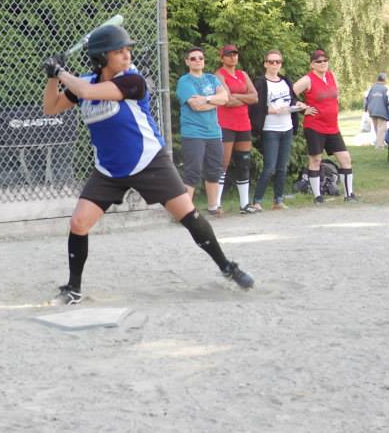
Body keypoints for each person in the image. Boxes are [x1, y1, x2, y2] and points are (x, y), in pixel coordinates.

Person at [43, 26, 254, 306]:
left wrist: (60, 72)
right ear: (101, 57)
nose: (127, 54)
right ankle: (73, 288)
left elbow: (86, 89)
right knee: (79, 223)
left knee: (188, 216)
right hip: (108, 169)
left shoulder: (133, 81)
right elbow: (51, 107)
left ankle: (227, 266)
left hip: (149, 161)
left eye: (128, 49)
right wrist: (51, 78)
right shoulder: (83, 83)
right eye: (119, 51)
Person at [293, 50, 356, 203]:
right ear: (312, 64)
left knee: (345, 158)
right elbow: (289, 94)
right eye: (318, 61)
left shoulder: (331, 76)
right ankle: (317, 196)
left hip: (332, 126)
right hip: (315, 126)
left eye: (325, 60)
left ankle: (349, 195)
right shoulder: (308, 79)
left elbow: (336, 94)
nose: (322, 64)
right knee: (315, 160)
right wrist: (303, 107)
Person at [175, 46, 228, 217]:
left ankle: (213, 206)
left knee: (214, 170)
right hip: (193, 133)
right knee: (193, 170)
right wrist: (214, 101)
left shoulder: (212, 79)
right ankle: (185, 211)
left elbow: (225, 98)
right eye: (193, 58)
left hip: (214, 132)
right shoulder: (185, 81)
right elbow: (195, 106)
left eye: (200, 58)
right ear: (187, 62)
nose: (197, 61)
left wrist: (206, 98)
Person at [249, 50, 304, 210]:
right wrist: (271, 111)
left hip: (286, 127)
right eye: (271, 62)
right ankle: (257, 201)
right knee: (270, 166)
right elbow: (255, 106)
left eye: (278, 62)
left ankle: (278, 200)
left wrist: (298, 105)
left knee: (282, 166)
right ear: (265, 63)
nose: (275, 65)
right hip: (270, 128)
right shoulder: (260, 82)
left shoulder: (285, 81)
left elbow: (292, 99)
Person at [213, 44, 260, 214]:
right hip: (226, 123)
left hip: (243, 123)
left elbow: (255, 97)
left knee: (244, 162)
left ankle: (244, 204)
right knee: (223, 163)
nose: (232, 57)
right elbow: (227, 100)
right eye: (228, 55)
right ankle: (216, 204)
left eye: (235, 54)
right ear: (222, 57)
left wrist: (238, 96)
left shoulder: (243, 74)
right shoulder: (219, 75)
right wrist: (243, 98)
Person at [363, 72, 389, 149]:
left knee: (376, 128)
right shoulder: (386, 89)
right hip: (382, 112)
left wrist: (365, 109)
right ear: (384, 80)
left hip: (372, 111)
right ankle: (379, 146)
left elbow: (365, 98)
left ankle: (378, 142)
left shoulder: (371, 88)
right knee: (382, 129)